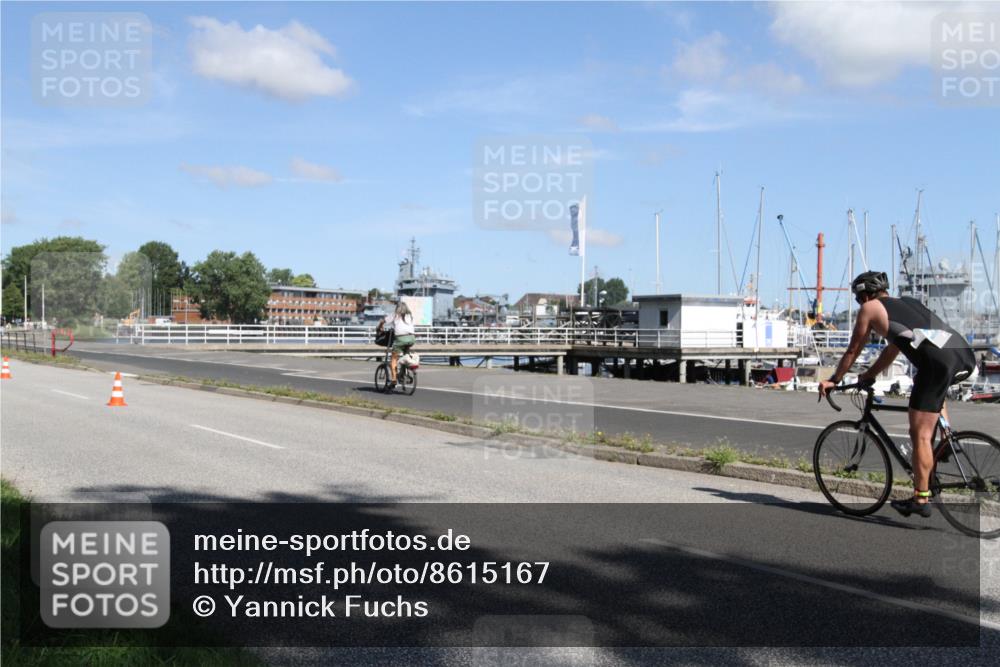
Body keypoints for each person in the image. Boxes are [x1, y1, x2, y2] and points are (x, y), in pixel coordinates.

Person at [818, 271, 976, 518]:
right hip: (962, 353)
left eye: (859, 298)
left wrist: (833, 379)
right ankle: (946, 439)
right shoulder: (907, 303)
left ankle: (921, 499)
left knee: (920, 435)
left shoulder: (870, 308)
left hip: (937, 364)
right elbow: (893, 349)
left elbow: (853, 350)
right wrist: (868, 375)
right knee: (930, 390)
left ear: (864, 294)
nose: (861, 303)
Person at [376, 301, 416, 387]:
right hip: (412, 338)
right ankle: (403, 373)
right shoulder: (410, 316)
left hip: (400, 339)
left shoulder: (395, 315)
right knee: (405, 356)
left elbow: (383, 321)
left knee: (394, 359)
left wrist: (380, 327)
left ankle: (394, 379)